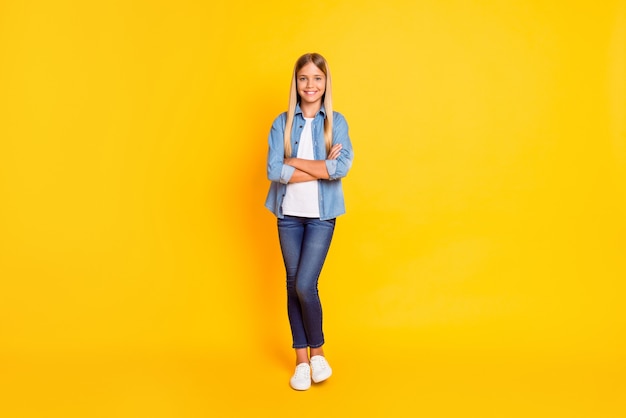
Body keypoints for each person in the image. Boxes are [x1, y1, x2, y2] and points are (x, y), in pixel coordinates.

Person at [265, 53, 354, 391]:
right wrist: (318, 168)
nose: (310, 85)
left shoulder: (337, 122)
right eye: (304, 78)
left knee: (305, 284)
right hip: (288, 215)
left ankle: (318, 352)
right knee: (292, 285)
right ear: (296, 83)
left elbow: (340, 169)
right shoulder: (282, 122)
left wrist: (295, 162)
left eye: (317, 78)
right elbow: (274, 171)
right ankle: (302, 361)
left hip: (321, 217)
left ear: (325, 83)